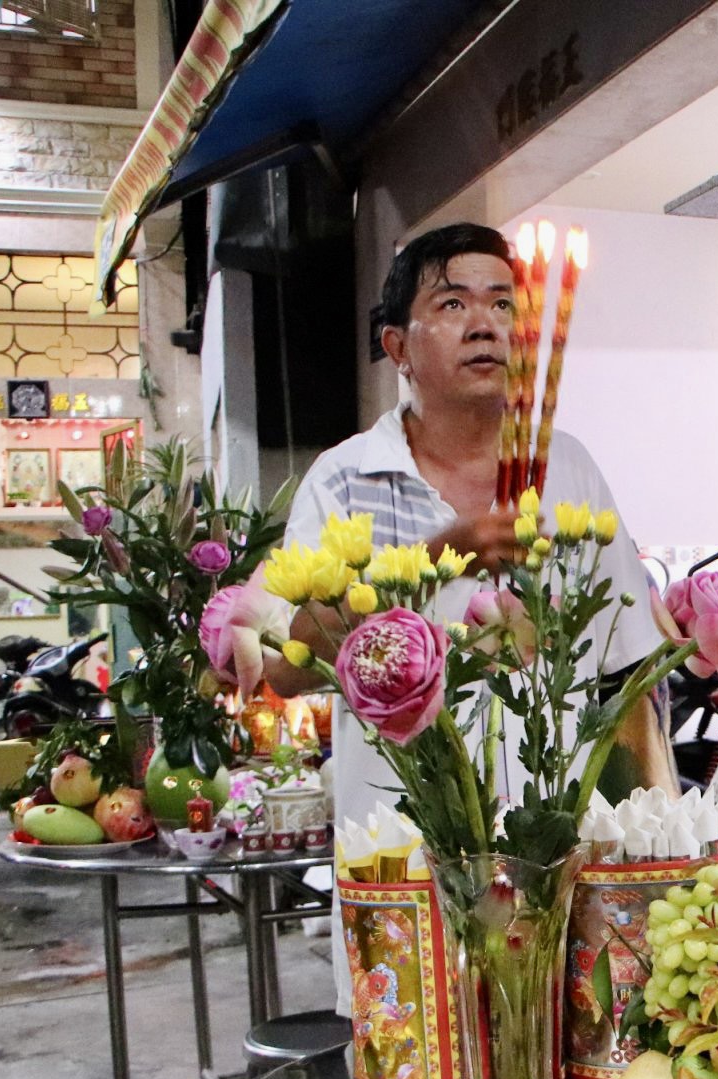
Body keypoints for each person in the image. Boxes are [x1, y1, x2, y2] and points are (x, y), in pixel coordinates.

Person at [267, 222, 669, 1012]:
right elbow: (285, 666)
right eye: (452, 303)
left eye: (501, 302)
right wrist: (433, 557)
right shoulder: (343, 480)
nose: (486, 322)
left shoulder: (566, 466)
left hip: (554, 856)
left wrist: (655, 856)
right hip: (403, 859)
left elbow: (629, 679)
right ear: (398, 346)